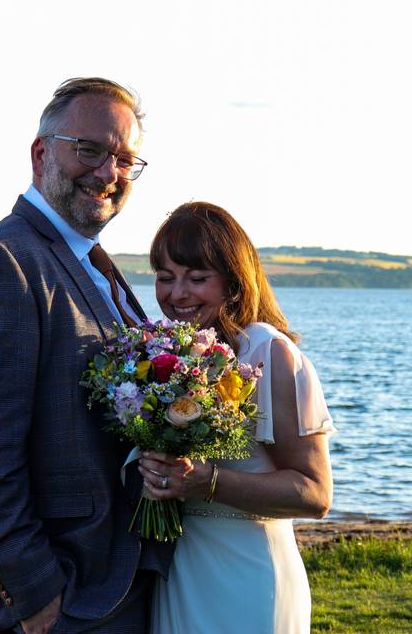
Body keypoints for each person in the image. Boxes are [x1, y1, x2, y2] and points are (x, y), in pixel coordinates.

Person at [0, 78, 173, 634]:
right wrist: (34, 590)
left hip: (113, 580)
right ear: (42, 153)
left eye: (124, 159)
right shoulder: (1, 262)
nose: (108, 172)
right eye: (89, 150)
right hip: (60, 598)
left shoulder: (94, 262)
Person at [138, 202, 336, 633]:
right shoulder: (164, 354)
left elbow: (315, 493)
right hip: (180, 570)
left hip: (247, 575)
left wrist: (206, 481)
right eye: (166, 277)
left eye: (197, 278)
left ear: (233, 282)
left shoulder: (268, 353)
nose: (177, 295)